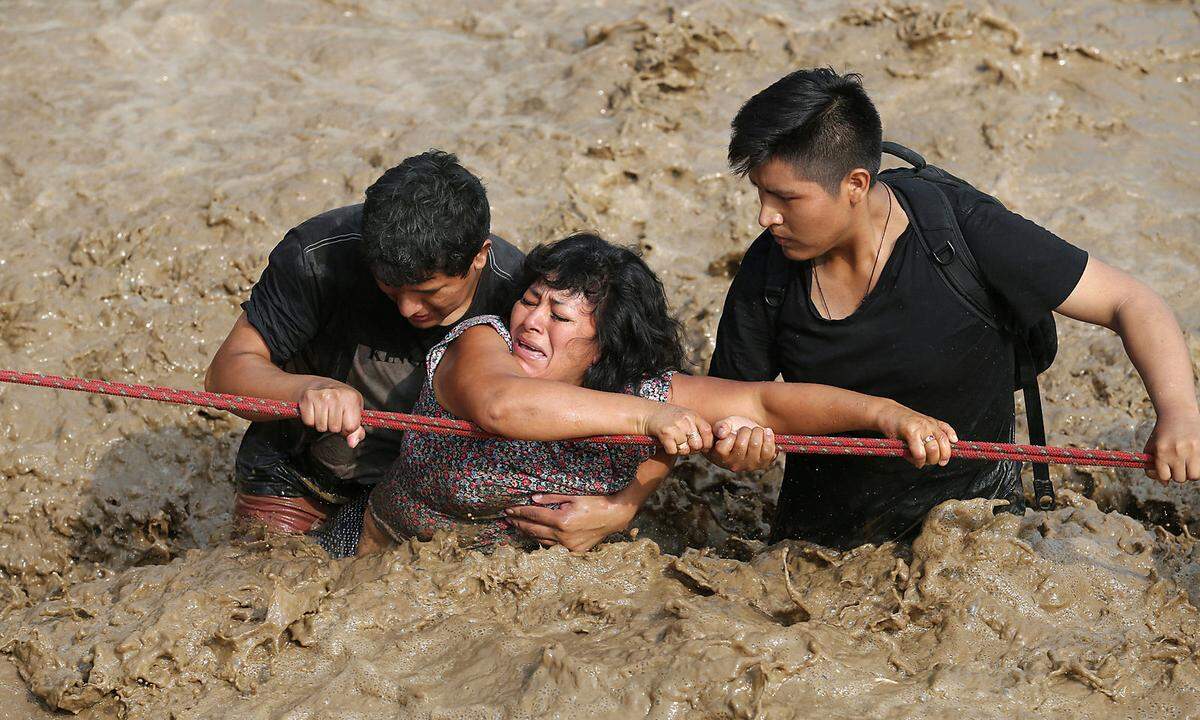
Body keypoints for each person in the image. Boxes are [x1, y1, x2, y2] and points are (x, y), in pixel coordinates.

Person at [706, 68, 1200, 549]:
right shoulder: (767, 272)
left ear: (856, 184)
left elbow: (1130, 300)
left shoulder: (962, 232)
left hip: (975, 533)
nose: (765, 216)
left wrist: (1179, 414)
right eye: (760, 192)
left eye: (786, 198)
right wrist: (736, 450)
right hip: (820, 548)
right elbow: (726, 406)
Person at [314, 233, 960, 557]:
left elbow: (767, 404)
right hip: (374, 555)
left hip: (511, 596)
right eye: (530, 302)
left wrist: (886, 415)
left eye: (560, 318)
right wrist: (654, 419)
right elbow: (502, 409)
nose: (531, 322)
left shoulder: (645, 388)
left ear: (605, 347)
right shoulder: (480, 345)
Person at [204, 150, 524, 533]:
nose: (407, 309)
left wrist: (614, 508)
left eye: (428, 292)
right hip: (301, 473)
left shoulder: (520, 294)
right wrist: (308, 389)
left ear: (479, 257)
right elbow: (225, 374)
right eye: (390, 287)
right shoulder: (316, 258)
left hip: (441, 487)